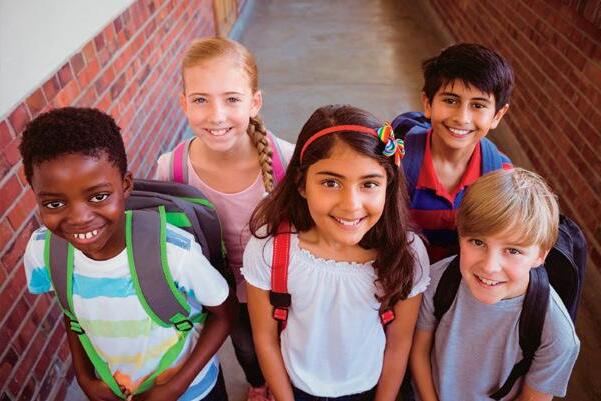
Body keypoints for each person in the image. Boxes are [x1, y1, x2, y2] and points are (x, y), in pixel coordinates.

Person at [21, 107, 236, 401]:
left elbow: (225, 314)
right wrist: (85, 379)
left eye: (98, 196)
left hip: (195, 391)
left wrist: (175, 387)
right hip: (115, 390)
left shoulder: (174, 253)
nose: (79, 218)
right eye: (55, 204)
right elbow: (74, 313)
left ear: (125, 185)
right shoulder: (44, 252)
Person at [243, 105, 430, 401]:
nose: (351, 205)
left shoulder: (406, 253)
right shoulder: (270, 249)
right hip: (295, 387)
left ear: (388, 185)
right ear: (301, 184)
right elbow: (265, 339)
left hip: (371, 388)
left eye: (369, 184)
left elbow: (399, 344)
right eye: (331, 182)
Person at [155, 37, 294, 401]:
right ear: (184, 103)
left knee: (289, 344)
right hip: (223, 290)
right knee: (246, 347)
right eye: (201, 99)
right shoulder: (172, 168)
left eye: (232, 99)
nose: (216, 115)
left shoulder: (287, 161)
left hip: (283, 284)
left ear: (254, 102)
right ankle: (258, 384)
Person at [410, 168, 580, 401]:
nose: (490, 266)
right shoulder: (437, 281)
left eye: (513, 251)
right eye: (477, 242)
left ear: (541, 255)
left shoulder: (555, 332)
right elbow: (419, 352)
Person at [394, 43, 514, 263]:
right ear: (428, 104)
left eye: (478, 105)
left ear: (497, 115)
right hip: (398, 273)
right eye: (450, 101)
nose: (462, 118)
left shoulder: (501, 176)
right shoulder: (395, 161)